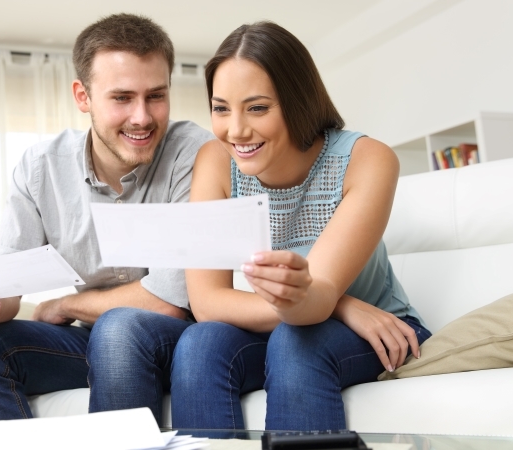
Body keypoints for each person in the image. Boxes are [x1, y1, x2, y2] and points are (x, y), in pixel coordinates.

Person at [0, 13, 213, 425]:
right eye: (122, 98)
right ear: (83, 96)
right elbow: (8, 283)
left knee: (120, 330)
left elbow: (169, 302)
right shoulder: (41, 167)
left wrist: (67, 303)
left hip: (180, 343)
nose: (142, 117)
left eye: (155, 96)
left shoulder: (194, 153)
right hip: (94, 342)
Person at [170, 21, 432, 431]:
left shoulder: (368, 160)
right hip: (323, 319)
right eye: (221, 108)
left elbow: (320, 295)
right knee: (200, 344)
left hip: (380, 329)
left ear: (296, 101)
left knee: (297, 343)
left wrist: (330, 303)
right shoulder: (215, 162)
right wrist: (344, 306)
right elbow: (207, 302)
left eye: (257, 108)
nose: (235, 130)